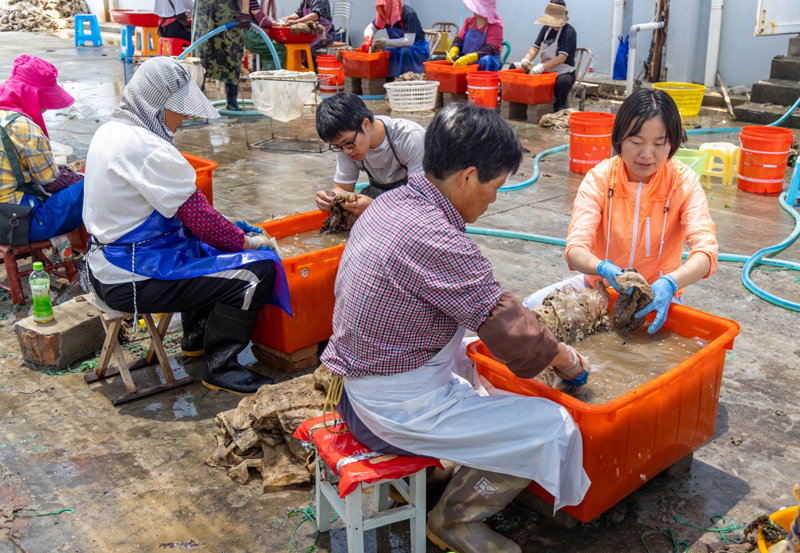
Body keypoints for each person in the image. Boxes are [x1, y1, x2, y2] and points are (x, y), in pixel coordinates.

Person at [320, 103, 590, 553]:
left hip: (354, 387)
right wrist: (568, 361)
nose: (494, 199)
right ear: (467, 177)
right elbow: (510, 328)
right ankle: (456, 521)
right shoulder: (437, 238)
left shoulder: (389, 203)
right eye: (495, 186)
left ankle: (445, 467)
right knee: (553, 426)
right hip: (390, 411)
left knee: (470, 359)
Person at [82, 58, 291, 395]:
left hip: (104, 266)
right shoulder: (149, 149)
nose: (182, 119)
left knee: (199, 248)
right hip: (132, 277)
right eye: (177, 110)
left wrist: (228, 234)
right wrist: (251, 242)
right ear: (157, 105)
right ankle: (222, 367)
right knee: (257, 270)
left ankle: (195, 337)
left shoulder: (110, 131)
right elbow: (205, 223)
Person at [523, 88, 718, 335]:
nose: (647, 154)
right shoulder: (600, 179)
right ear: (619, 140)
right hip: (598, 288)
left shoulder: (684, 183)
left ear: (672, 143)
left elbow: (706, 252)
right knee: (526, 314)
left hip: (660, 297)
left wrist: (670, 282)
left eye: (659, 143)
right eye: (636, 142)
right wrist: (602, 268)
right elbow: (575, 250)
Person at [0, 55, 84, 244]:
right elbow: (51, 182)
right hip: (15, 223)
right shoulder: (23, 127)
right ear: (33, 96)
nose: (46, 108)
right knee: (92, 185)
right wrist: (82, 178)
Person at [314, 92, 424, 216]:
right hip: (378, 193)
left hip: (416, 201)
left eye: (347, 143)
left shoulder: (410, 138)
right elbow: (343, 188)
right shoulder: (345, 146)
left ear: (366, 124)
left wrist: (376, 207)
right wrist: (331, 198)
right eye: (337, 146)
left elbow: (423, 200)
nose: (346, 151)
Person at [515, 0, 577, 112]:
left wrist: (540, 67)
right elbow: (535, 48)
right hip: (546, 70)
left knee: (561, 82)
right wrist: (526, 59)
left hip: (564, 71)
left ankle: (559, 109)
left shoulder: (569, 32)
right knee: (514, 68)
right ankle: (522, 106)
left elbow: (561, 58)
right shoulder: (546, 29)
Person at [194, 0, 255, 112]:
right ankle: (197, 104)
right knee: (200, 55)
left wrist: (245, 12)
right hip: (204, 11)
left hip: (228, 10)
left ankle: (232, 102)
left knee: (231, 52)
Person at [361, 0, 429, 78]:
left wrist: (386, 42)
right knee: (384, 51)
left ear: (392, 5)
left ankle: (404, 80)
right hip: (397, 46)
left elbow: (409, 41)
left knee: (404, 51)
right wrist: (368, 39)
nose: (383, 10)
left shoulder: (409, 13)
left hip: (417, 48)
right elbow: (370, 28)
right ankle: (387, 79)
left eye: (385, 7)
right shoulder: (385, 15)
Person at [447, 0, 503, 72]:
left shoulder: (495, 26)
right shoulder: (469, 22)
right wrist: (454, 49)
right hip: (464, 59)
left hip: (483, 64)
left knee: (486, 60)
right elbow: (459, 40)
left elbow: (490, 49)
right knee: (443, 61)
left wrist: (469, 58)